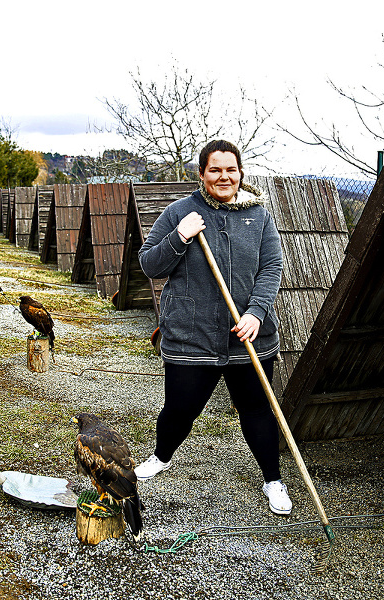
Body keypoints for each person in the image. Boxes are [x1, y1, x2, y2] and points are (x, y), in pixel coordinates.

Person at [136, 139, 291, 515]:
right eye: (215, 169)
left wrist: (255, 312)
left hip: (247, 337)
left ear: (240, 172)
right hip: (192, 336)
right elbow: (150, 265)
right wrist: (180, 236)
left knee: (257, 410)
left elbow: (272, 266)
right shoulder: (178, 212)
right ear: (202, 174)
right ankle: (161, 456)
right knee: (180, 409)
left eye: (231, 169)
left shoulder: (259, 215)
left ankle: (273, 480)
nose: (224, 176)